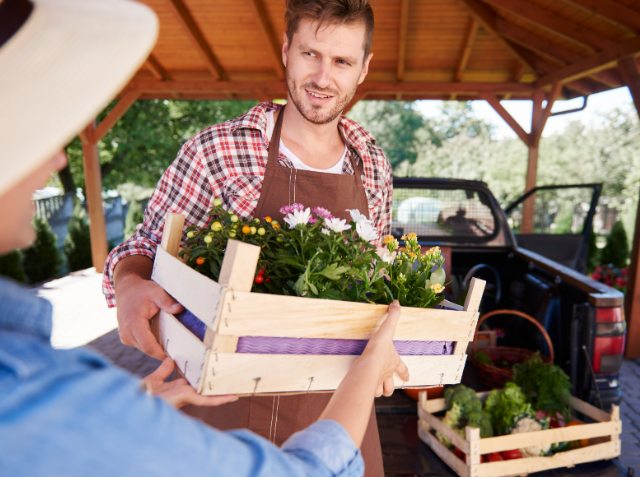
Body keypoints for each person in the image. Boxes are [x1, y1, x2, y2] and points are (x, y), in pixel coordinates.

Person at [0, 0, 410, 475]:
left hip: (337, 401)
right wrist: (131, 283)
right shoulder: (219, 151)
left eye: (341, 61)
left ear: (364, 69)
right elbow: (141, 251)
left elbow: (375, 281)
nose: (322, 76)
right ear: (286, 51)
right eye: (310, 54)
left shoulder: (373, 165)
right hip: (220, 405)